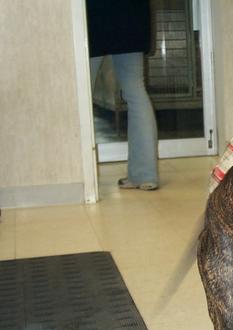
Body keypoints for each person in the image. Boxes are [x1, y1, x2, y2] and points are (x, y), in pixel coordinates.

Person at [87, 0, 159, 191]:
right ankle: (145, 175)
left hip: (95, 17)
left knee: (82, 93)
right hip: (131, 15)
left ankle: (79, 176)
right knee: (136, 92)